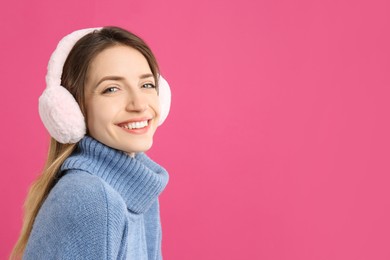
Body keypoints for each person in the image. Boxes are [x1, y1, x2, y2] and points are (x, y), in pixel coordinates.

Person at [11, 26, 171, 259]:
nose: (138, 104)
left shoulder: (141, 188)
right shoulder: (91, 197)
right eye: (111, 89)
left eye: (146, 85)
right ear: (73, 109)